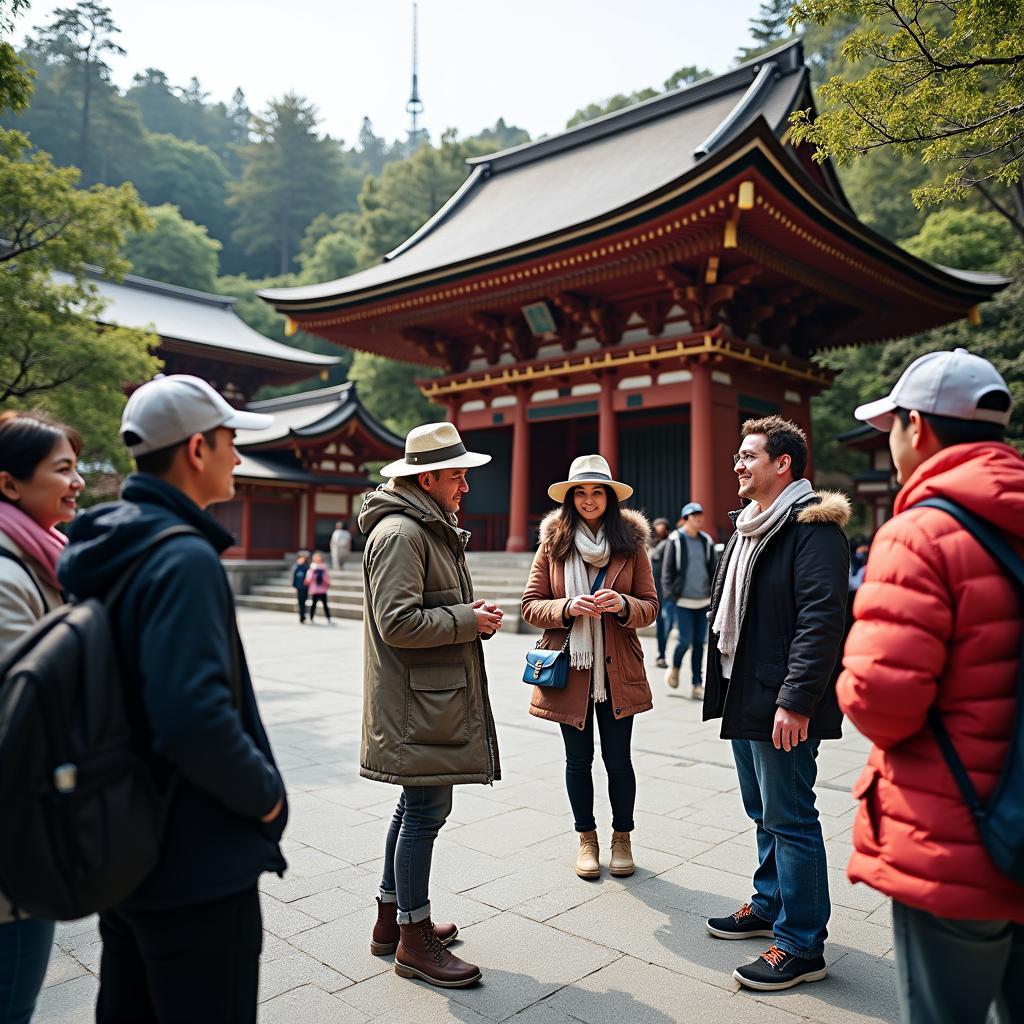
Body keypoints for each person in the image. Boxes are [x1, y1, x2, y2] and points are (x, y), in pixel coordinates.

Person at [57, 375, 288, 1023]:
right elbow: (192, 718)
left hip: (126, 842)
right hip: (196, 857)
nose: (237, 457)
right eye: (229, 442)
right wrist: (267, 798)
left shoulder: (110, 543)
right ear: (195, 449)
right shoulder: (182, 557)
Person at [837, 349, 1024, 1024]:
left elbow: (881, 703)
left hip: (957, 832)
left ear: (917, 428)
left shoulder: (920, 532)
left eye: (891, 426)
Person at [702, 416, 849, 992]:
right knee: (762, 808)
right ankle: (768, 903)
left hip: (781, 700)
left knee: (790, 815)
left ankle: (801, 943)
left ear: (782, 463)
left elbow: (822, 620)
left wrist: (796, 700)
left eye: (748, 456)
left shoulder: (812, 530)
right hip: (746, 690)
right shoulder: (749, 527)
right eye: (738, 456)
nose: (737, 464)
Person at [358, 422, 503, 989]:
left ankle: (391, 921)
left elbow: (424, 610)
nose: (465, 486)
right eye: (458, 475)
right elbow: (398, 622)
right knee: (424, 814)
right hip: (418, 705)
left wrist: (470, 617)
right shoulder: (403, 533)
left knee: (413, 810)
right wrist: (468, 619)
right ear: (428, 477)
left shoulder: (423, 526)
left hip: (426, 699)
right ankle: (414, 940)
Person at [521, 455, 659, 881]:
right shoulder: (553, 545)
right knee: (577, 762)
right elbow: (529, 606)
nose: (588, 499)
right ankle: (587, 839)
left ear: (610, 498)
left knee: (619, 761)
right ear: (570, 499)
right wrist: (565, 607)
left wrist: (622, 605)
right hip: (571, 672)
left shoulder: (631, 547)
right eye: (580, 492)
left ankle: (622, 839)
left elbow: (651, 607)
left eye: (597, 491)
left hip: (618, 672)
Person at [0, 411, 84, 1024]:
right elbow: (24, 709)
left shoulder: (39, 555)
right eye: (63, 469)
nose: (78, 481)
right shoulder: (8, 574)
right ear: (10, 485)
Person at [661, 501, 717, 699]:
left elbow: (713, 570)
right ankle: (675, 667)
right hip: (682, 600)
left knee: (699, 643)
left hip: (702, 601)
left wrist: (714, 595)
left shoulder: (706, 541)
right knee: (684, 640)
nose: (699, 519)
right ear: (685, 519)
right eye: (694, 516)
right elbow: (667, 572)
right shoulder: (675, 540)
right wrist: (669, 596)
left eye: (700, 515)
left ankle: (697, 684)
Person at [648, 518, 671, 669]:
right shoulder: (647, 545)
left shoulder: (671, 544)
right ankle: (661, 655)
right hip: (655, 592)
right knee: (663, 625)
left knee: (668, 624)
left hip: (669, 592)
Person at [305, 552, 332, 623]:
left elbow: (326, 577)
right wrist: (313, 573)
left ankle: (328, 618)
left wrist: (327, 582)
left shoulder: (324, 567)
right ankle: (311, 617)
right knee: (313, 604)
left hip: (322, 589)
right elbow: (309, 578)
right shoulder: (312, 567)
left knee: (325, 604)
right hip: (315, 589)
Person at [291, 550, 310, 623]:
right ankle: (301, 617)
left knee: (304, 601)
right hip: (299, 587)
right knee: (300, 602)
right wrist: (294, 585)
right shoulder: (297, 567)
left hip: (305, 587)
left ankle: (303, 616)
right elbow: (295, 577)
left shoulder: (307, 567)